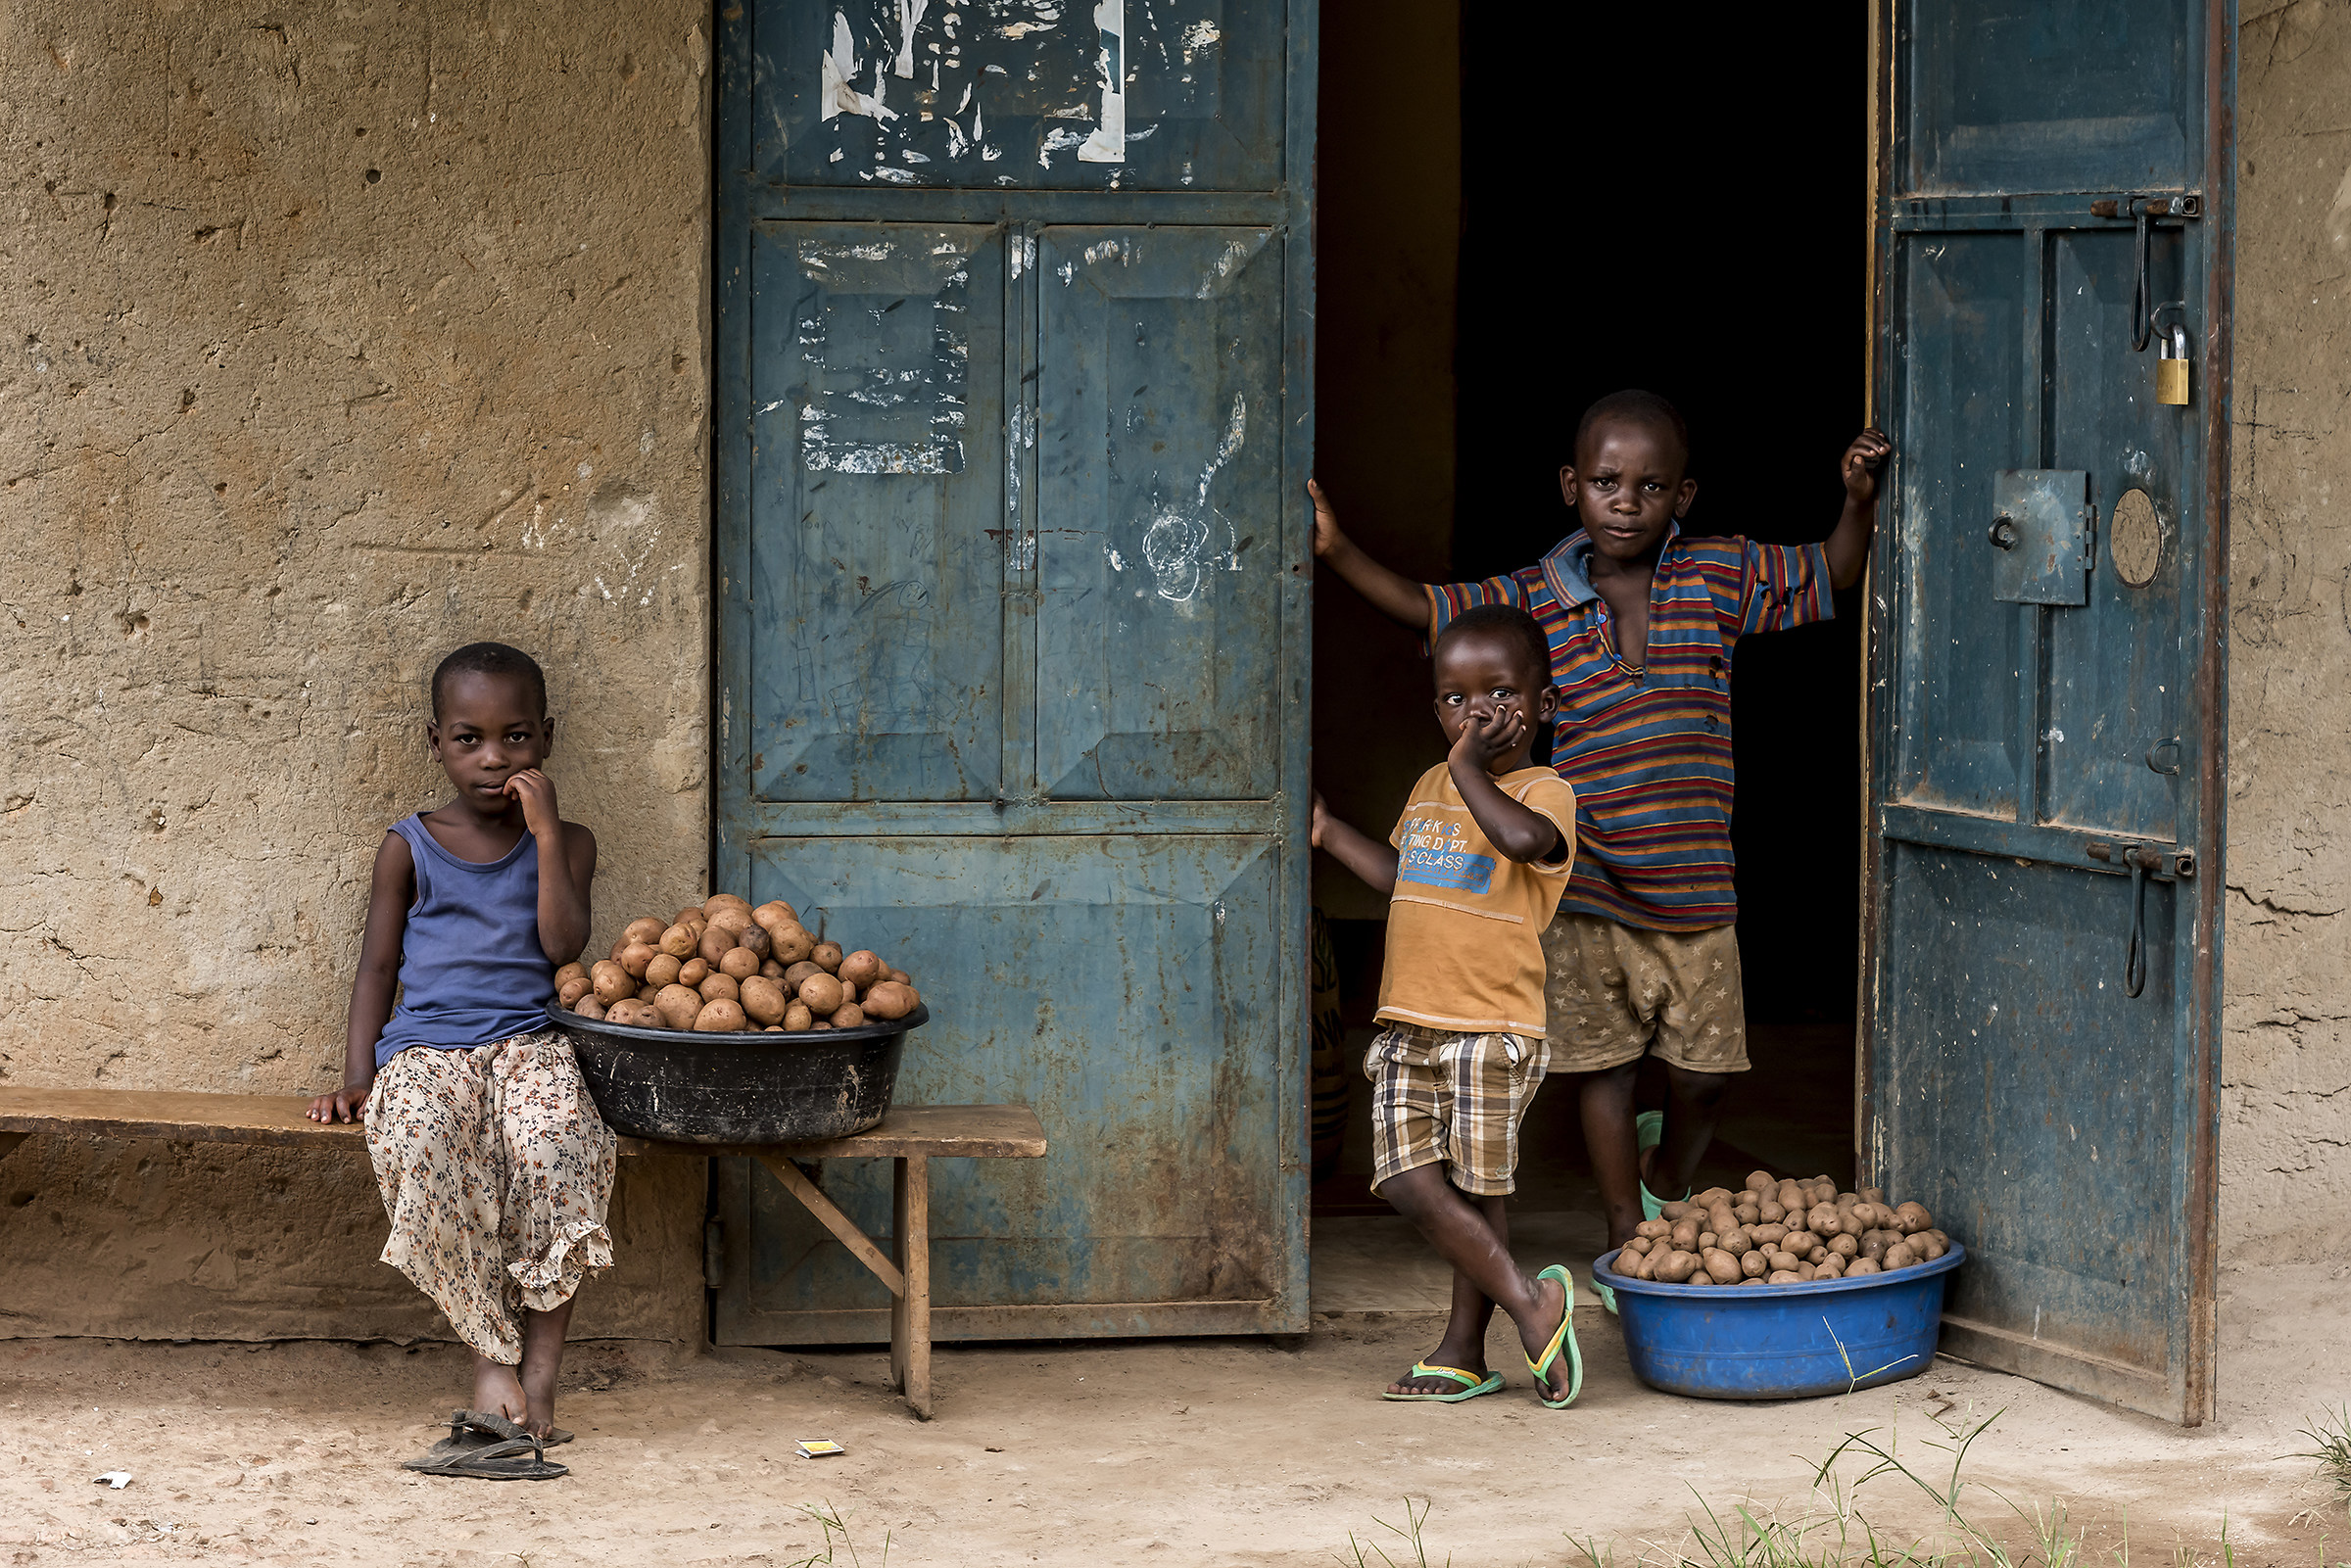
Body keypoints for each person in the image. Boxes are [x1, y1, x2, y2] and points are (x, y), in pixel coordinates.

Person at [1310, 392, 1890, 1307]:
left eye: (1652, 485)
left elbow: (1829, 572)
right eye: (1608, 482)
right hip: (1583, 886)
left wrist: (1855, 503)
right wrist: (1336, 548)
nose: (1628, 500)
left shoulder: (1719, 574)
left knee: (1704, 1074)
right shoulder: (1533, 598)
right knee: (1602, 1067)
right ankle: (1626, 1231)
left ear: (1683, 495)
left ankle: (1667, 1166)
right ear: (1571, 487)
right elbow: (1429, 614)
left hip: (1697, 888)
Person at [307, 641, 610, 1468]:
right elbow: (376, 966)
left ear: (545, 738)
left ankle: (540, 1381)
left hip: (531, 1042)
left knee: (557, 1148)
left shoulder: (571, 842)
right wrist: (357, 1078)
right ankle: (491, 1361)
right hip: (428, 1048)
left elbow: (563, 943)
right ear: (434, 741)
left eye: (516, 737)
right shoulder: (408, 845)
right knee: (426, 1145)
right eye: (468, 737)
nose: (493, 758)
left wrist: (545, 832)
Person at [1311, 603, 1584, 1406]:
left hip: (1492, 1024)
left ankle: (1464, 1347)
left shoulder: (1547, 791)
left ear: (1545, 704)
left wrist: (1468, 767)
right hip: (1410, 1019)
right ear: (1435, 708)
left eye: (1499, 692)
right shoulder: (1432, 785)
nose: (1477, 713)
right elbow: (1404, 876)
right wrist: (1328, 832)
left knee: (1478, 1188)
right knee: (1406, 1179)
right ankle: (1533, 1301)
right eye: (1455, 699)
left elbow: (1525, 844)